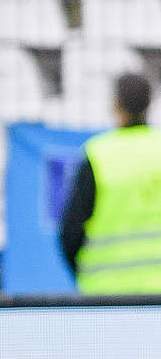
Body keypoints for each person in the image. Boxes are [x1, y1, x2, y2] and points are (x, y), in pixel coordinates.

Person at [59, 73, 161, 293]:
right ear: (149, 104)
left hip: (106, 294)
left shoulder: (98, 154)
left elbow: (70, 231)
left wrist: (85, 272)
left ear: (116, 105)